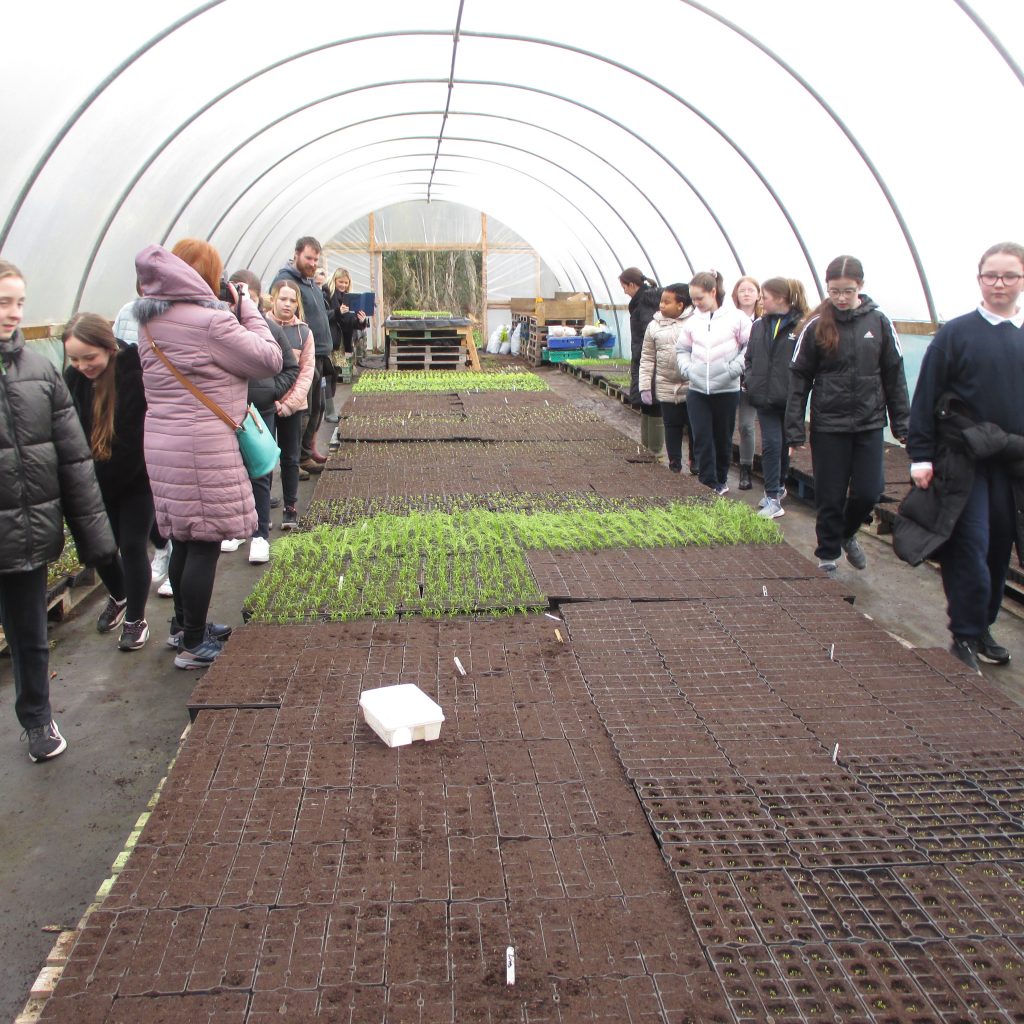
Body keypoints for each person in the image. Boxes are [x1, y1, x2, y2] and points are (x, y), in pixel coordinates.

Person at [134, 240, 282, 669]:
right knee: (204, 543)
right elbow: (269, 358)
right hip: (201, 446)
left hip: (164, 444)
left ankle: (183, 626)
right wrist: (246, 305)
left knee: (184, 538)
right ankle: (195, 644)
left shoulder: (150, 322)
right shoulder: (208, 324)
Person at [0, 260, 115, 760]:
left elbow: (73, 460)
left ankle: (38, 720)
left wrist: (97, 545)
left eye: (20, 302)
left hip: (25, 530)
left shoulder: (40, 372)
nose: (14, 313)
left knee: (30, 635)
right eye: (5, 301)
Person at [898, 242, 1024, 671]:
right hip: (963, 462)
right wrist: (920, 456)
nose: (1000, 284)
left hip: (1011, 464)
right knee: (970, 545)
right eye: (992, 276)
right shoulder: (957, 334)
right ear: (979, 280)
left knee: (998, 548)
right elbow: (927, 395)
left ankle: (983, 625)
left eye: (1009, 276)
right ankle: (964, 635)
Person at [786, 255, 909, 578]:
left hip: (869, 423)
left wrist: (903, 424)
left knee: (870, 490)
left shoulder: (879, 322)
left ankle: (847, 531)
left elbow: (895, 375)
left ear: (861, 287)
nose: (841, 297)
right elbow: (799, 379)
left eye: (848, 291)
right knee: (830, 492)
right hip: (829, 424)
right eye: (834, 291)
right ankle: (827, 554)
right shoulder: (816, 325)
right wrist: (794, 428)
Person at [63, 313, 153, 650]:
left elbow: (133, 441)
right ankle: (118, 594)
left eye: (90, 357)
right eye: (74, 358)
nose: (83, 365)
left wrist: (99, 482)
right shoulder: (73, 378)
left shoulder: (132, 374)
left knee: (131, 544)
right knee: (100, 549)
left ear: (109, 347)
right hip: (91, 480)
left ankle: (136, 620)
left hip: (134, 478)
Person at [228, 269, 298, 563]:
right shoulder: (222, 328)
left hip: (259, 412)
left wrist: (270, 391)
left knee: (259, 471)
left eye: (251, 300)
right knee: (231, 472)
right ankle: (234, 529)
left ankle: (259, 534)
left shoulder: (269, 328)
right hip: (226, 413)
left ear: (258, 300)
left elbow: (290, 367)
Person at [675, 270, 751, 494]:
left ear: (713, 292)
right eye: (693, 299)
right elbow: (682, 349)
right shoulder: (692, 321)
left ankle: (721, 478)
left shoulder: (737, 318)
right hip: (698, 388)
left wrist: (734, 369)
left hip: (726, 388)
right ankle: (706, 482)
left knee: (722, 436)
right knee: (701, 436)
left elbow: (750, 347)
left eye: (700, 298)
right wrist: (688, 369)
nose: (696, 303)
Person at [743, 278, 809, 519]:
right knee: (771, 444)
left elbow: (807, 363)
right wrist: (751, 380)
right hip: (764, 397)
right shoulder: (759, 326)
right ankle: (772, 495)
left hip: (790, 399)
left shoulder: (801, 326)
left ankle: (778, 487)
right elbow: (749, 357)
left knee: (783, 446)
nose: (761, 300)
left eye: (765, 297)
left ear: (781, 299)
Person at [276, 237, 333, 474]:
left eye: (316, 260)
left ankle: (307, 452)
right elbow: (283, 319)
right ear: (296, 254)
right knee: (303, 408)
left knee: (318, 406)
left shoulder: (310, 283)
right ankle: (295, 459)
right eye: (308, 258)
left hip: (319, 353)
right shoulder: (286, 282)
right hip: (301, 356)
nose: (312, 263)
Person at [269, 278, 315, 530]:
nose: (287, 304)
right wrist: (269, 399)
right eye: (283, 298)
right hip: (264, 405)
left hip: (293, 407)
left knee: (290, 458)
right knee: (262, 460)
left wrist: (286, 404)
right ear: (273, 299)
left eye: (292, 300)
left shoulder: (303, 332)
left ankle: (290, 508)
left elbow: (306, 373)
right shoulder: (259, 327)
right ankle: (259, 512)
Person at [638, 283, 694, 473]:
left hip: (692, 384)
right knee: (671, 426)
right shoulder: (654, 326)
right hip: (665, 383)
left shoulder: (695, 323)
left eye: (667, 302)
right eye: (661, 301)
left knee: (694, 427)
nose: (661, 305)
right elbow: (646, 358)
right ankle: (674, 463)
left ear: (681, 305)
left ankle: (695, 462)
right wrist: (645, 386)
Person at [619, 267, 664, 457]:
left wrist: (643, 354)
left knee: (653, 401)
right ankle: (648, 448)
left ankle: (654, 450)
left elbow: (649, 332)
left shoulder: (645, 303)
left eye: (624, 287)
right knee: (647, 401)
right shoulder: (642, 301)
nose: (623, 291)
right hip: (643, 358)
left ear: (632, 284)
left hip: (649, 360)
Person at [732, 276, 761, 490]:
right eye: (742, 290)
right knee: (724, 425)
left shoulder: (764, 321)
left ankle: (745, 469)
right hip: (730, 378)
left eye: (751, 290)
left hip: (752, 382)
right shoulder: (729, 319)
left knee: (746, 426)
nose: (747, 294)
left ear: (759, 294)